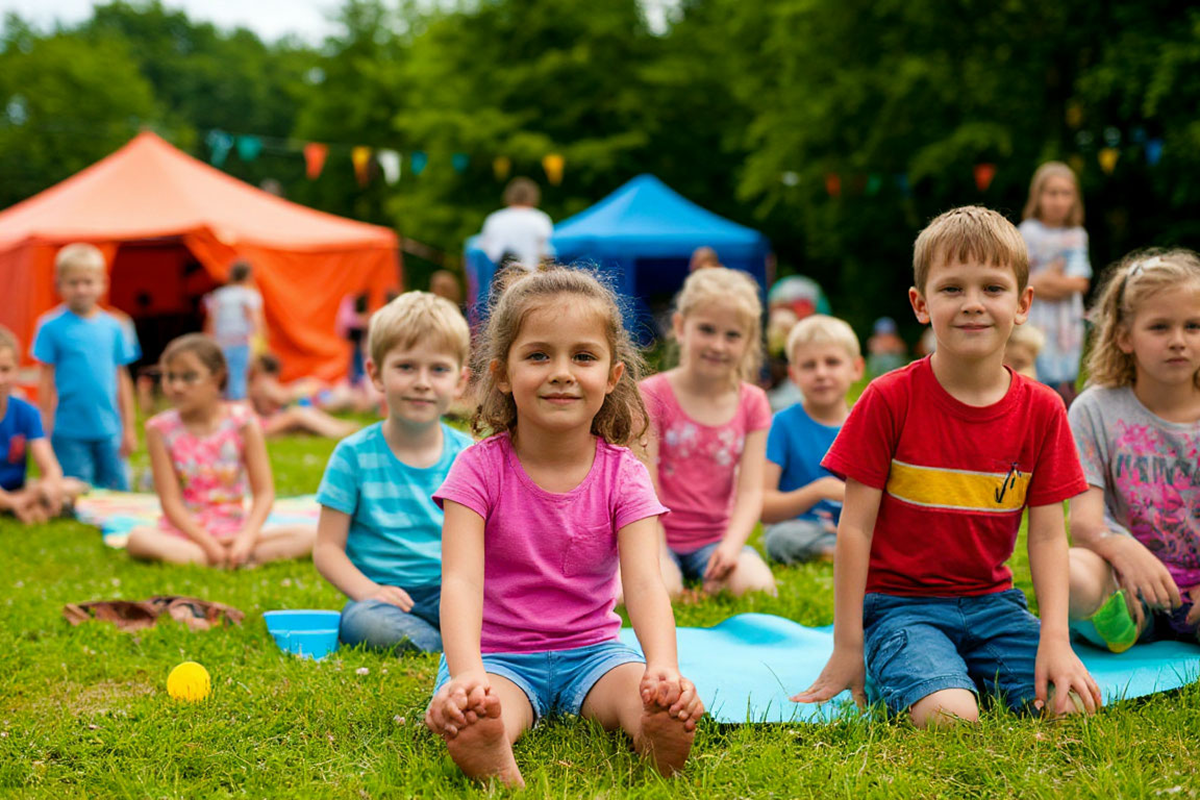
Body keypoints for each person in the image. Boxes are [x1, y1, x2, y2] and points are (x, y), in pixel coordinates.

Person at [795, 206, 1101, 726]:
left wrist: (1056, 641)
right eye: (953, 289)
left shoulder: (1045, 409)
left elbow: (1050, 537)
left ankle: (964, 665)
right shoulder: (887, 398)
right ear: (921, 303)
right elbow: (855, 527)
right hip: (900, 606)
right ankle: (905, 661)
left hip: (995, 604)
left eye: (993, 288)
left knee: (1070, 706)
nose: (973, 305)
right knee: (950, 717)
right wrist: (847, 645)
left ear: (1024, 303)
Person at [424, 267, 703, 788]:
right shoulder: (477, 468)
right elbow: (460, 581)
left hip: (594, 653)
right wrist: (466, 675)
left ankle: (655, 737)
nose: (561, 372)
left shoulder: (625, 474)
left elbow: (644, 583)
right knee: (486, 709)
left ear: (613, 376)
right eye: (537, 355)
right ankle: (492, 751)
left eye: (582, 356)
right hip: (498, 656)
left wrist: (662, 667)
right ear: (502, 373)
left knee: (640, 697)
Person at [314, 292, 472, 653]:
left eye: (439, 369)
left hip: (458, 590)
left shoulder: (470, 457)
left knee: (509, 609)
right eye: (405, 367)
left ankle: (460, 637)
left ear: (460, 381)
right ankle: (447, 644)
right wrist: (368, 592)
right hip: (386, 599)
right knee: (360, 621)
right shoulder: (352, 455)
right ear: (375, 373)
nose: (422, 382)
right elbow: (326, 549)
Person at [1066, 250, 1200, 653]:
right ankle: (1125, 628)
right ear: (1124, 336)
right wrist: (1122, 550)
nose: (1178, 341)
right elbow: (1085, 523)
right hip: (1127, 586)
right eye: (1159, 327)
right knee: (1069, 571)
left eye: (1193, 326)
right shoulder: (1094, 409)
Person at [640, 267, 777, 598]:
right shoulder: (651, 395)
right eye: (706, 329)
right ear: (680, 326)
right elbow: (644, 486)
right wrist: (657, 551)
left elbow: (750, 492)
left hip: (715, 539)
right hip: (653, 534)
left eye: (732, 335)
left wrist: (730, 549)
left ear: (748, 342)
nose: (718, 344)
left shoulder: (753, 402)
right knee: (659, 589)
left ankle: (706, 579)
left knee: (758, 588)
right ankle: (676, 579)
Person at [125, 335, 315, 566]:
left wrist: (246, 538)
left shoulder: (243, 421)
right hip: (187, 535)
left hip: (236, 529)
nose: (176, 386)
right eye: (170, 376)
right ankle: (230, 558)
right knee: (138, 538)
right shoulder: (160, 429)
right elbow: (170, 502)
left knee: (312, 535)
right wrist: (207, 543)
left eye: (189, 377)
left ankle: (232, 555)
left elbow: (264, 493)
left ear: (216, 379)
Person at [32, 243, 138, 490]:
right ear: (59, 284)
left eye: (88, 282)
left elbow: (122, 378)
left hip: (109, 428)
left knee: (117, 490)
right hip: (69, 430)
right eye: (73, 282)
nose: (81, 290)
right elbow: (45, 380)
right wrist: (43, 430)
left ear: (103, 283)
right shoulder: (49, 326)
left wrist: (129, 428)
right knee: (76, 491)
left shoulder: (114, 326)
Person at [761, 315, 863, 564]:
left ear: (856, 369)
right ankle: (846, 553)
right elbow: (763, 506)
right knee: (781, 538)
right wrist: (819, 491)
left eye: (832, 362)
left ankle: (851, 549)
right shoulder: (781, 424)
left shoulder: (866, 425)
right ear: (793, 375)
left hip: (856, 529)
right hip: (800, 529)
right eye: (809, 365)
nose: (821, 373)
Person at [1020, 161, 1092, 405]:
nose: (1059, 200)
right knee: (1034, 383)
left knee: (1065, 388)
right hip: (1034, 321)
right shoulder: (1027, 232)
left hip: (1066, 324)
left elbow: (1080, 283)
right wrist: (1054, 279)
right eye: (1052, 193)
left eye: (1066, 193)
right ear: (1038, 195)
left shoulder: (1076, 235)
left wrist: (1042, 281)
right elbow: (1018, 283)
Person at [0, 326, 84, 523]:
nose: (0, 379)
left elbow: (51, 467)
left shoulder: (26, 411)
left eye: (5, 369)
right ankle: (24, 508)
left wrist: (49, 487)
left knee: (72, 485)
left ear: (17, 369)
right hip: (13, 495)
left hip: (18, 489)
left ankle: (31, 506)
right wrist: (14, 502)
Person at [246, 353, 359, 439]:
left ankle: (338, 427)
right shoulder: (263, 383)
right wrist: (300, 388)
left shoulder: (255, 383)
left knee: (300, 412)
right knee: (297, 413)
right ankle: (337, 431)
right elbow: (282, 397)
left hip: (262, 423)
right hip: (262, 425)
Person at [203, 260, 265, 401]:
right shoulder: (249, 295)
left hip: (221, 341)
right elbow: (255, 320)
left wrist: (208, 339)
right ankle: (238, 409)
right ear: (248, 276)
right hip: (241, 340)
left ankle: (225, 407)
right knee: (239, 376)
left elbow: (211, 320)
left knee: (223, 375)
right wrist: (260, 340)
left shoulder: (219, 295)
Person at [479, 177, 554, 270]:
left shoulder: (495, 219)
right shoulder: (540, 218)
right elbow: (545, 252)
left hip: (499, 274)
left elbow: (485, 250)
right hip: (529, 274)